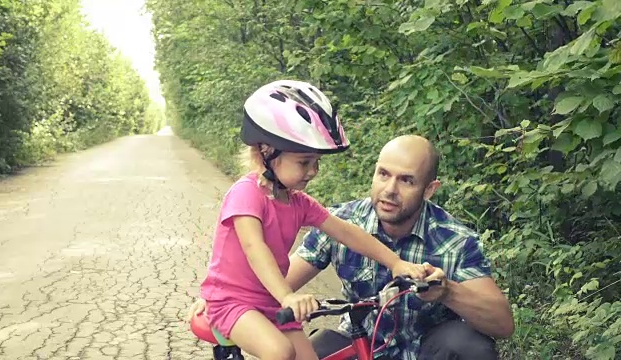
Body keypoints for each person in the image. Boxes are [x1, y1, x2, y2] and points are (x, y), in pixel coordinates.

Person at [193, 134, 515, 360]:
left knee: (467, 346)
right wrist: (221, 297)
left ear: (429, 190)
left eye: (406, 180)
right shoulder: (254, 196)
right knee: (289, 352)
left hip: (424, 351)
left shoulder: (454, 238)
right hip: (359, 342)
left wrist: (441, 288)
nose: (389, 190)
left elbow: (502, 323)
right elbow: (264, 259)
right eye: (383, 174)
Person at [197, 80, 440, 360]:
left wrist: (396, 263)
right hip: (232, 300)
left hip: (269, 299)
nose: (313, 171)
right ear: (267, 151)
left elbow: (348, 233)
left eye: (316, 163)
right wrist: (288, 296)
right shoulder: (246, 194)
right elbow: (255, 250)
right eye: (304, 162)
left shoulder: (298, 202)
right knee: (279, 352)